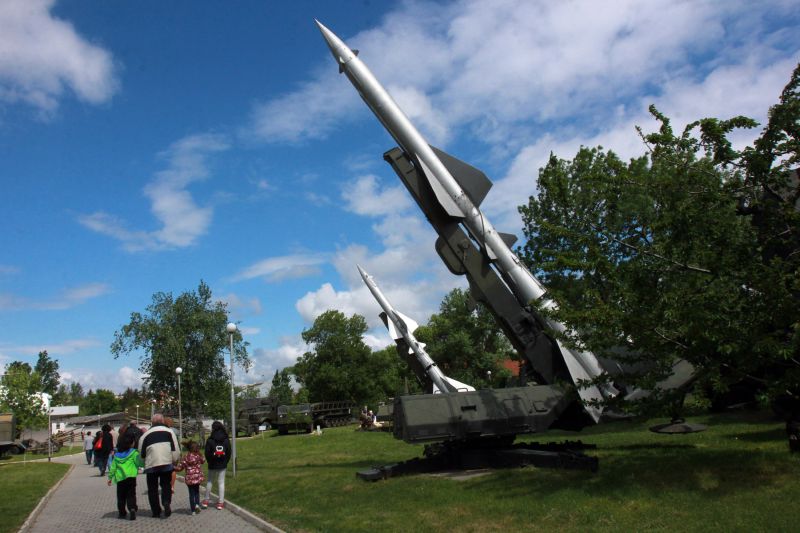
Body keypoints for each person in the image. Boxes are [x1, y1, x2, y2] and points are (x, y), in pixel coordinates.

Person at [138, 414, 180, 518]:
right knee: (166, 485)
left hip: (151, 465)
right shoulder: (170, 432)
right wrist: (174, 460)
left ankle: (156, 511)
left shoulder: (145, 435)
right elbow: (175, 449)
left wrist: (143, 464)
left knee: (152, 489)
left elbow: (141, 453)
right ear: (162, 421)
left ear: (152, 422)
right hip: (166, 463)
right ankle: (166, 502)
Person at [107, 431, 142, 520]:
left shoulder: (117, 455)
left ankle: (122, 513)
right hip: (131, 477)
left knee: (121, 496)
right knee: (131, 494)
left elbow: (113, 468)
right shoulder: (134, 453)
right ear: (131, 443)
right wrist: (141, 466)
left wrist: (110, 478)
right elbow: (138, 463)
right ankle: (132, 508)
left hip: (120, 478)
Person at [202, 420, 231, 510]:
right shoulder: (226, 439)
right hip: (222, 464)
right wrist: (226, 461)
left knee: (210, 481)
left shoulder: (210, 440)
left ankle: (206, 500)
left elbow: (207, 452)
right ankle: (220, 503)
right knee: (221, 482)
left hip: (212, 463)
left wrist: (210, 461)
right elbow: (229, 451)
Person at [175, 441, 205, 515]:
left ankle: (193, 510)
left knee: (191, 494)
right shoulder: (198, 456)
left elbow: (180, 468)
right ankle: (197, 505)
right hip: (197, 478)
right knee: (197, 492)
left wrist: (174, 468)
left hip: (189, 479)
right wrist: (201, 455)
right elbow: (203, 461)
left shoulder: (185, 457)